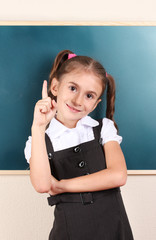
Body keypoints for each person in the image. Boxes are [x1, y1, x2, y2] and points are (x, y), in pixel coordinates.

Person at [24, 49, 134, 240]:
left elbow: (118, 175)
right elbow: (42, 185)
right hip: (69, 233)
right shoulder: (38, 140)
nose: (77, 101)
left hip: (114, 231)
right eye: (73, 88)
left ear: (95, 103)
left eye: (89, 96)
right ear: (55, 87)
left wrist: (62, 185)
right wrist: (38, 126)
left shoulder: (103, 128)